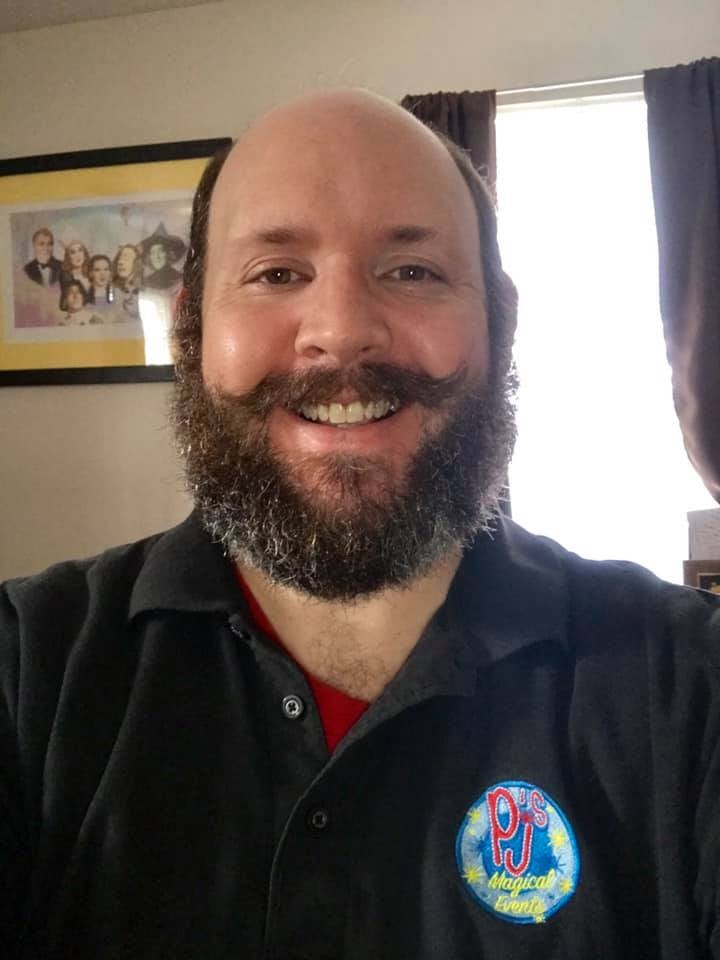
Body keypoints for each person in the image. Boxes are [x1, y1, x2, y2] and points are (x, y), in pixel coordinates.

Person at [1, 90, 719, 960]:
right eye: (276, 274)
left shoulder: (693, 688)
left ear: (502, 321)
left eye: (412, 271)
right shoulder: (23, 671)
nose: (341, 334)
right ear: (192, 329)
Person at [140, 222, 186, 290]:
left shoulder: (177, 278)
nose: (156, 256)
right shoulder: (148, 281)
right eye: (152, 252)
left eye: (161, 250)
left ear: (168, 254)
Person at [112, 243, 143, 320]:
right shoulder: (112, 289)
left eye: (126, 259)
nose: (120, 262)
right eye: (119, 259)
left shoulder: (143, 287)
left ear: (136, 263)